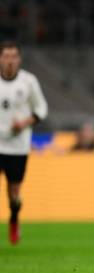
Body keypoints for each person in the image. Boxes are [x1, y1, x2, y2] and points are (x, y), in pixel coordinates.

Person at [0, 41, 48, 245]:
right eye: (6, 56)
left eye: (13, 56)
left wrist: (25, 122)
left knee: (14, 192)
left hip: (18, 146)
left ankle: (14, 217)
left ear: (18, 59)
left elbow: (41, 109)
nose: (10, 60)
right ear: (1, 59)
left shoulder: (28, 82)